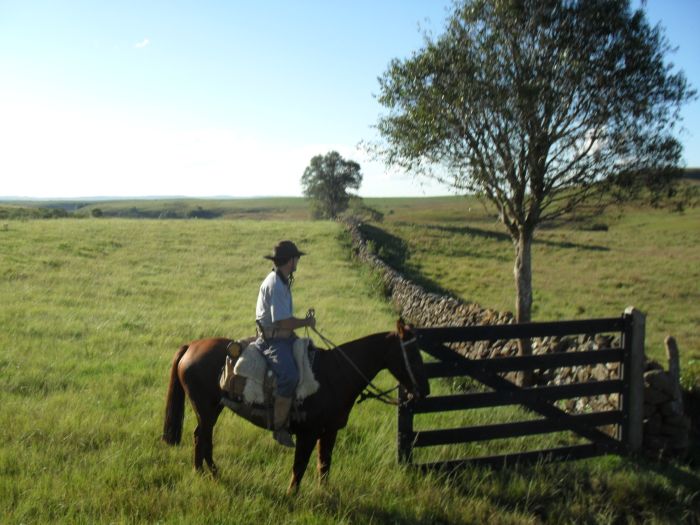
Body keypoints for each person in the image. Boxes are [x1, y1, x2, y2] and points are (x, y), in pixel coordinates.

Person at [255, 240, 316, 447]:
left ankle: (298, 410)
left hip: (283, 336)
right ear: (290, 261)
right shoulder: (275, 284)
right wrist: (306, 322)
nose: (298, 261)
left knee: (311, 356)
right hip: (272, 340)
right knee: (289, 375)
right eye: (296, 258)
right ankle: (279, 427)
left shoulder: (281, 281)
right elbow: (282, 321)